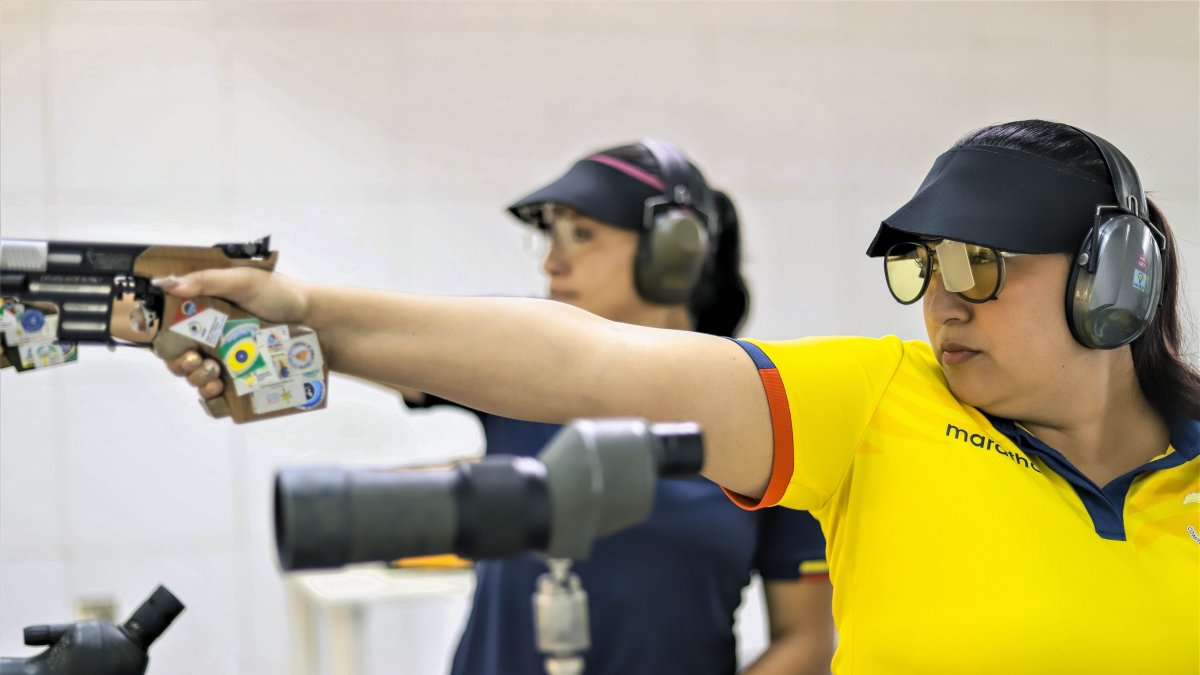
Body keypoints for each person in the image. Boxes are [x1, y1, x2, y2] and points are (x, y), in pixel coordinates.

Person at [161, 120, 1199, 673]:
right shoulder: (878, 401)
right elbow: (588, 367)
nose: (942, 304)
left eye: (981, 266)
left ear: (1117, 280)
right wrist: (302, 306)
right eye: (927, 268)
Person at [404, 141, 836, 674]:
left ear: (675, 250)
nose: (552, 261)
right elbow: (376, 344)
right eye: (550, 235)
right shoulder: (522, 371)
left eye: (581, 234)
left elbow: (806, 640)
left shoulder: (766, 417)